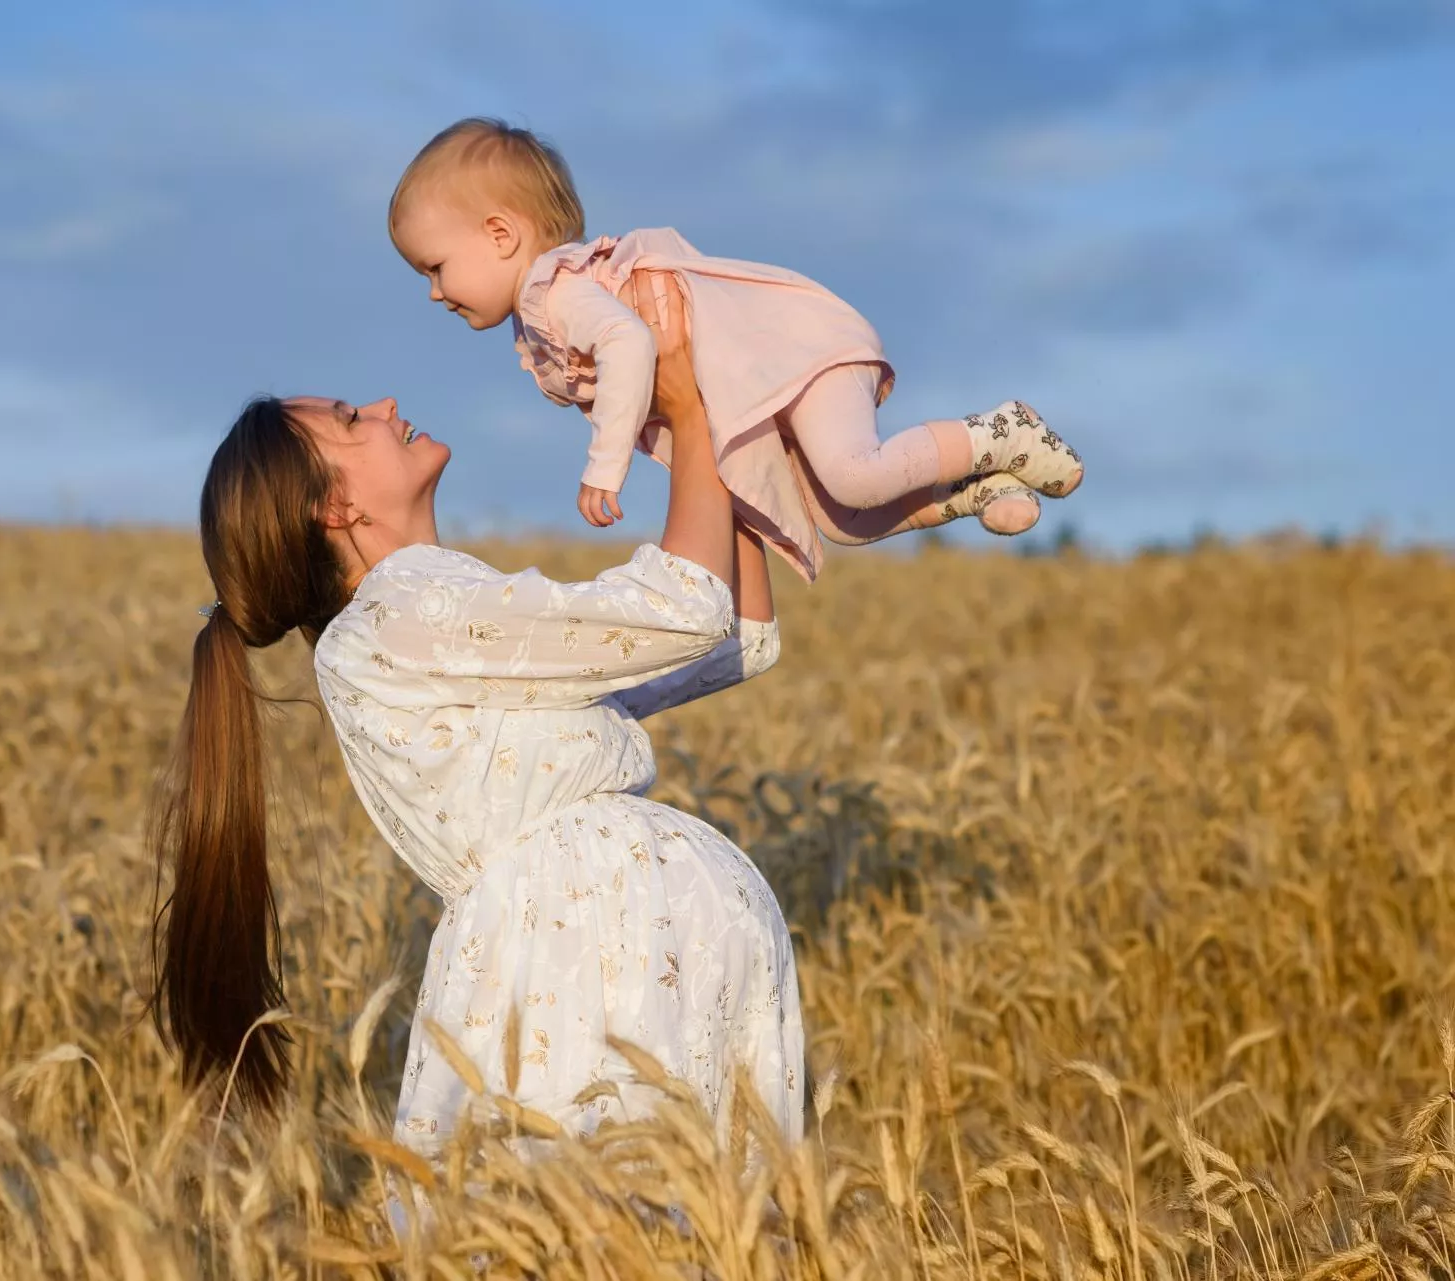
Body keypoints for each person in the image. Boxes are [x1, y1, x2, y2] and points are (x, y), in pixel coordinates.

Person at [153, 271, 803, 1162]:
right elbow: (689, 610)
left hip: (618, 948)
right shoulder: (402, 610)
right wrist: (688, 413)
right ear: (335, 507)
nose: (382, 404)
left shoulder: (425, 623)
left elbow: (727, 637)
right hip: (591, 953)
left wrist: (692, 433)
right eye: (349, 418)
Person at [387, 116, 1086, 583]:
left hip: (792, 356)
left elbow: (630, 344)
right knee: (839, 520)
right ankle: (979, 490)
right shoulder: (546, 308)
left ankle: (999, 432)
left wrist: (604, 466)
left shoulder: (554, 288)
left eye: (435, 267)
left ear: (500, 235)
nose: (432, 292)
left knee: (851, 477)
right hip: (767, 377)